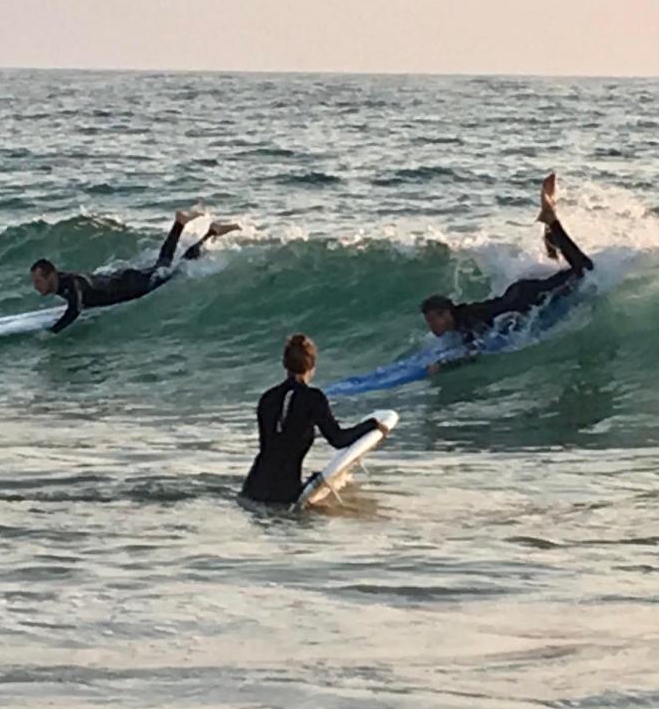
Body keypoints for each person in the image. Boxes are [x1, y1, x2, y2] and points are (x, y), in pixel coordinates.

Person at [420, 173, 592, 370]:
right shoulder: (462, 318)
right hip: (516, 292)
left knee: (584, 271)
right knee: (562, 269)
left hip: (525, 298)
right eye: (429, 321)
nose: (431, 326)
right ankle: (549, 226)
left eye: (434, 320)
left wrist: (444, 366)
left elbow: (478, 350)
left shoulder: (468, 321)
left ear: (446, 314)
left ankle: (551, 222)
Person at [30, 210, 240, 333]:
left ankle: (208, 231)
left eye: (38, 281)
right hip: (124, 278)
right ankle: (186, 224)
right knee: (164, 264)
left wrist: (52, 332)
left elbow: (75, 310)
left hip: (133, 286)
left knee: (175, 268)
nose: (35, 286)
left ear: (51, 275)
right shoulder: (64, 282)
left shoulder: (71, 285)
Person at [241, 333, 390, 505]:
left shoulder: (267, 398)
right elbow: (338, 439)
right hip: (284, 496)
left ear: (284, 364)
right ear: (312, 366)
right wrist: (372, 425)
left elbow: (272, 449)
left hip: (252, 490)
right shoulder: (313, 398)